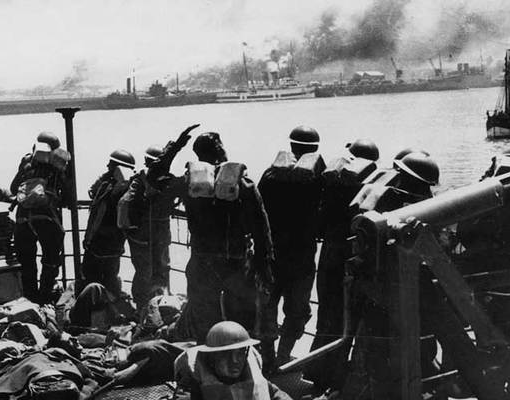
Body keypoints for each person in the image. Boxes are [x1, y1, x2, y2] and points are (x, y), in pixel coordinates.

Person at [146, 126, 277, 370]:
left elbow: (153, 179)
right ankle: (247, 369)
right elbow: (261, 226)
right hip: (237, 264)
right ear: (222, 152)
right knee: (243, 322)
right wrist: (264, 264)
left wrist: (175, 146)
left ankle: (207, 371)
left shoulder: (188, 184)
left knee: (204, 322)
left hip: (202, 263)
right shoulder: (243, 184)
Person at [342, 151, 440, 400]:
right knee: (408, 347)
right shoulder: (398, 208)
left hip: (373, 290)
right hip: (396, 290)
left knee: (376, 352)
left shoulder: (380, 198)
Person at [306, 138, 379, 391]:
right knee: (348, 323)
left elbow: (318, 220)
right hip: (350, 259)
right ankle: (336, 379)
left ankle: (316, 375)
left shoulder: (331, 183)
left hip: (328, 255)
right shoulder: (370, 185)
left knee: (326, 318)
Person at [258, 126, 325, 365]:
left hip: (271, 254)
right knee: (298, 311)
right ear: (315, 149)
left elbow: (258, 209)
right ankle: (284, 357)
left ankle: (267, 358)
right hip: (302, 257)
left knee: (266, 306)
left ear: (291, 146)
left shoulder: (269, 175)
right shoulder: (318, 177)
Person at [10, 132, 71, 304]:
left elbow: (14, 187)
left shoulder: (27, 161)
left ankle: (30, 300)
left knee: (27, 262)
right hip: (47, 218)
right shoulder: (58, 165)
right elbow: (67, 196)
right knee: (51, 260)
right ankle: (44, 298)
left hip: (22, 219)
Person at [118, 145, 176, 312]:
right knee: (161, 268)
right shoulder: (165, 181)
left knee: (144, 270)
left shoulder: (138, 180)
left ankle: (143, 307)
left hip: (141, 235)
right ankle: (159, 305)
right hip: (156, 233)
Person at [174, 321, 291, 400]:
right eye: (226, 354)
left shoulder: (251, 370)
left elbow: (275, 393)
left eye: (240, 353)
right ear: (212, 357)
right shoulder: (194, 379)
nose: (235, 360)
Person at [82, 150, 136, 298]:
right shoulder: (107, 183)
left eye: (111, 164)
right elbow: (92, 192)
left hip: (105, 239)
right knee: (99, 275)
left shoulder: (125, 189)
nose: (108, 166)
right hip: (104, 240)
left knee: (98, 276)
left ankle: (101, 307)